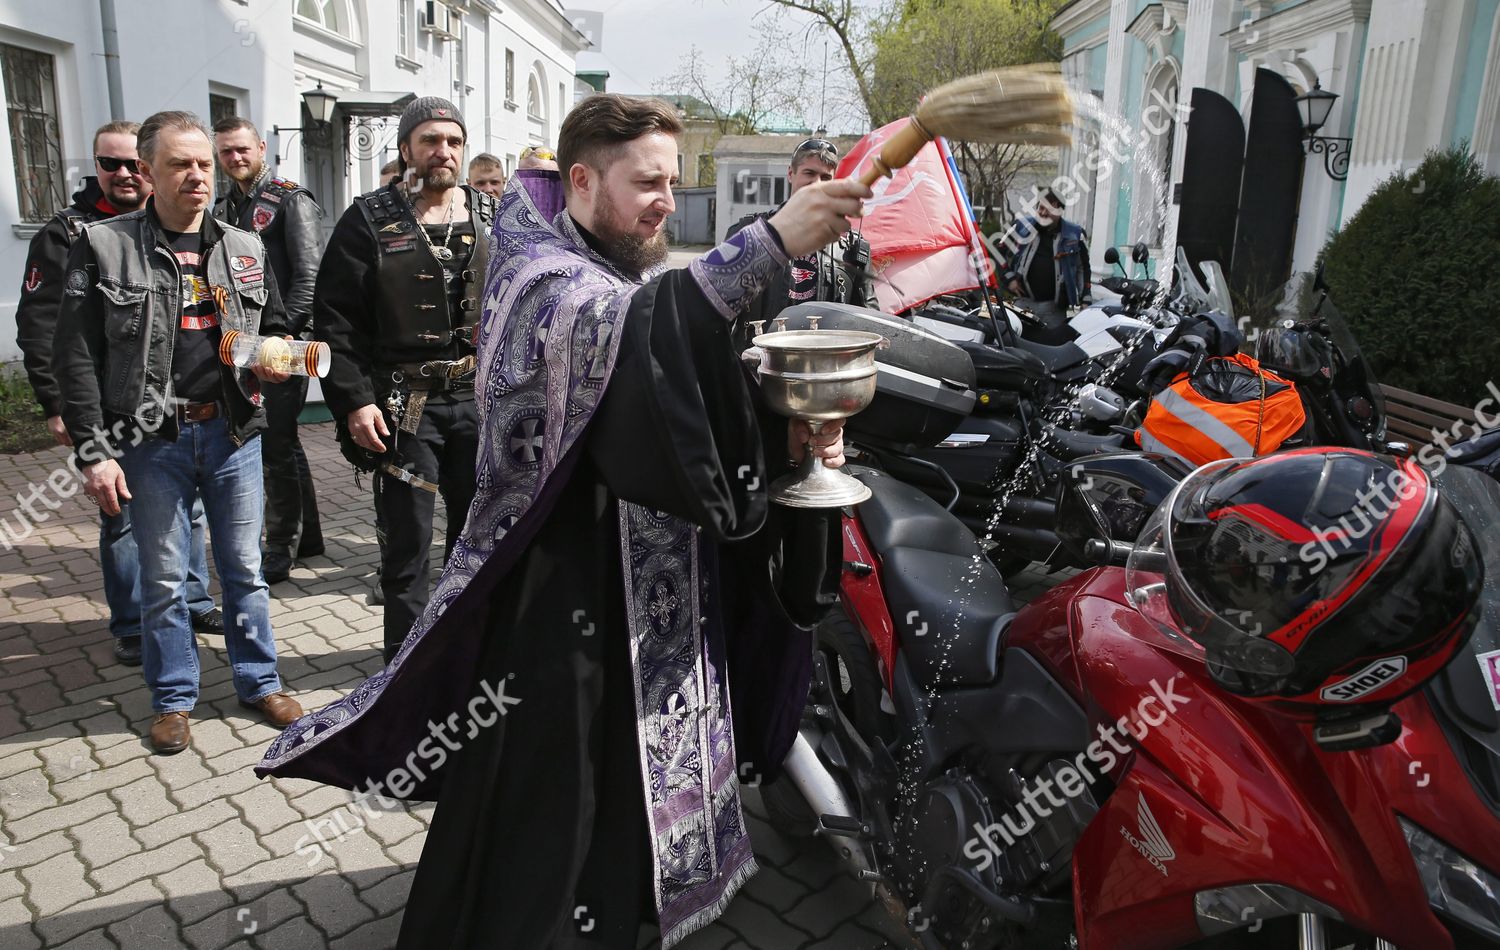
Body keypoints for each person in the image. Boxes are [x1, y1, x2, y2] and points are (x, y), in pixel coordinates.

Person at [256, 93, 871, 948]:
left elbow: (666, 368)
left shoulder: (613, 262)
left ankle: (623, 908)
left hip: (640, 576)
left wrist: (784, 421)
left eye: (673, 182)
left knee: (619, 773)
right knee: (552, 791)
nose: (665, 200)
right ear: (582, 181)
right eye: (647, 183)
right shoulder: (538, 276)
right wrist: (767, 245)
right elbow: (625, 337)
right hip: (558, 583)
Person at [52, 111, 304, 754]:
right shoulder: (103, 244)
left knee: (244, 569)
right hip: (148, 441)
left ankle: (259, 680)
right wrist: (94, 452)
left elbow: (272, 320)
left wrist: (274, 349)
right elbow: (75, 356)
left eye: (204, 164)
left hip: (231, 433)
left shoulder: (242, 245)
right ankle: (172, 698)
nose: (197, 176)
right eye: (179, 164)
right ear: (148, 171)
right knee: (163, 579)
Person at [15, 120, 223, 666]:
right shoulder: (71, 233)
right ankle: (133, 622)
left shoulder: (181, 228)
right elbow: (47, 330)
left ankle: (196, 600)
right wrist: (57, 405)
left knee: (192, 512)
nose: (126, 173)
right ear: (97, 167)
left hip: (184, 409)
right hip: (116, 407)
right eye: (113, 164)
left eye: (133, 163)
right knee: (125, 518)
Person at [313, 97, 498, 662]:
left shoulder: (495, 215)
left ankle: (469, 655)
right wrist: (353, 401)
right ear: (406, 149)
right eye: (430, 141)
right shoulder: (368, 218)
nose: (443, 152)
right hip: (404, 406)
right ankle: (404, 670)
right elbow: (335, 319)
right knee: (408, 546)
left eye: (453, 142)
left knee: (478, 540)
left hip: (481, 402)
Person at [213, 116, 325, 584]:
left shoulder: (289, 198)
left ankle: (279, 546)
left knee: (273, 444)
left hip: (282, 344)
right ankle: (309, 536)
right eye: (226, 152)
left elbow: (308, 276)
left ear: (261, 147)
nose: (235, 158)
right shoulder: (223, 204)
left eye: (243, 149)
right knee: (281, 441)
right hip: (243, 346)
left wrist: (277, 342)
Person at [726, 137, 873, 329]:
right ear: (790, 173)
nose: (816, 183)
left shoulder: (853, 249)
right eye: (809, 173)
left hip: (823, 357)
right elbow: (717, 318)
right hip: (756, 357)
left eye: (826, 177)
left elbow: (869, 321)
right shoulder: (748, 234)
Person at [1000, 189, 1091, 335]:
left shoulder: (1075, 234)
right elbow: (997, 252)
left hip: (1055, 309)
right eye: (1040, 207)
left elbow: (1084, 268)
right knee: (1015, 344)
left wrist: (1085, 299)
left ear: (1060, 211)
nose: (1042, 213)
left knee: (1051, 348)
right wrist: (1009, 278)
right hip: (1023, 303)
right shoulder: (1021, 226)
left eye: (1049, 210)